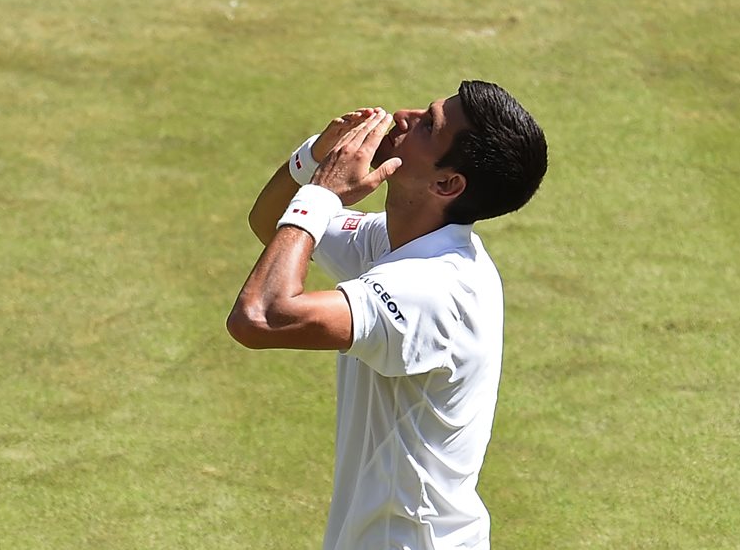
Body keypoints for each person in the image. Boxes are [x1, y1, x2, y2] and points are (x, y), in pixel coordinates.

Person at [226, 80, 548, 550]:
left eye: (428, 125)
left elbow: (259, 315)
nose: (404, 115)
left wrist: (321, 194)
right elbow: (272, 219)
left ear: (446, 183)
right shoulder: (392, 239)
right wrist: (316, 158)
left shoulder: (432, 290)